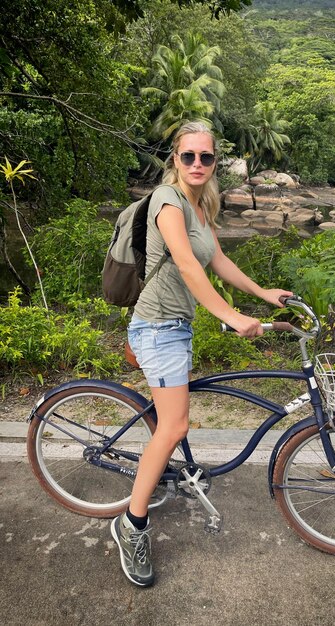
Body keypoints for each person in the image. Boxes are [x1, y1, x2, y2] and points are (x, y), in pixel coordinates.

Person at [111, 121, 292, 587]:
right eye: (188, 156)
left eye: (206, 157)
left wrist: (262, 292)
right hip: (157, 328)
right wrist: (231, 316)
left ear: (214, 163)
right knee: (174, 426)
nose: (197, 164)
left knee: (174, 421)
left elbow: (216, 259)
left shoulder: (200, 203)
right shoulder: (167, 202)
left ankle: (175, 472)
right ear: (175, 159)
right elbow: (188, 266)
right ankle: (131, 526)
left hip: (178, 327)